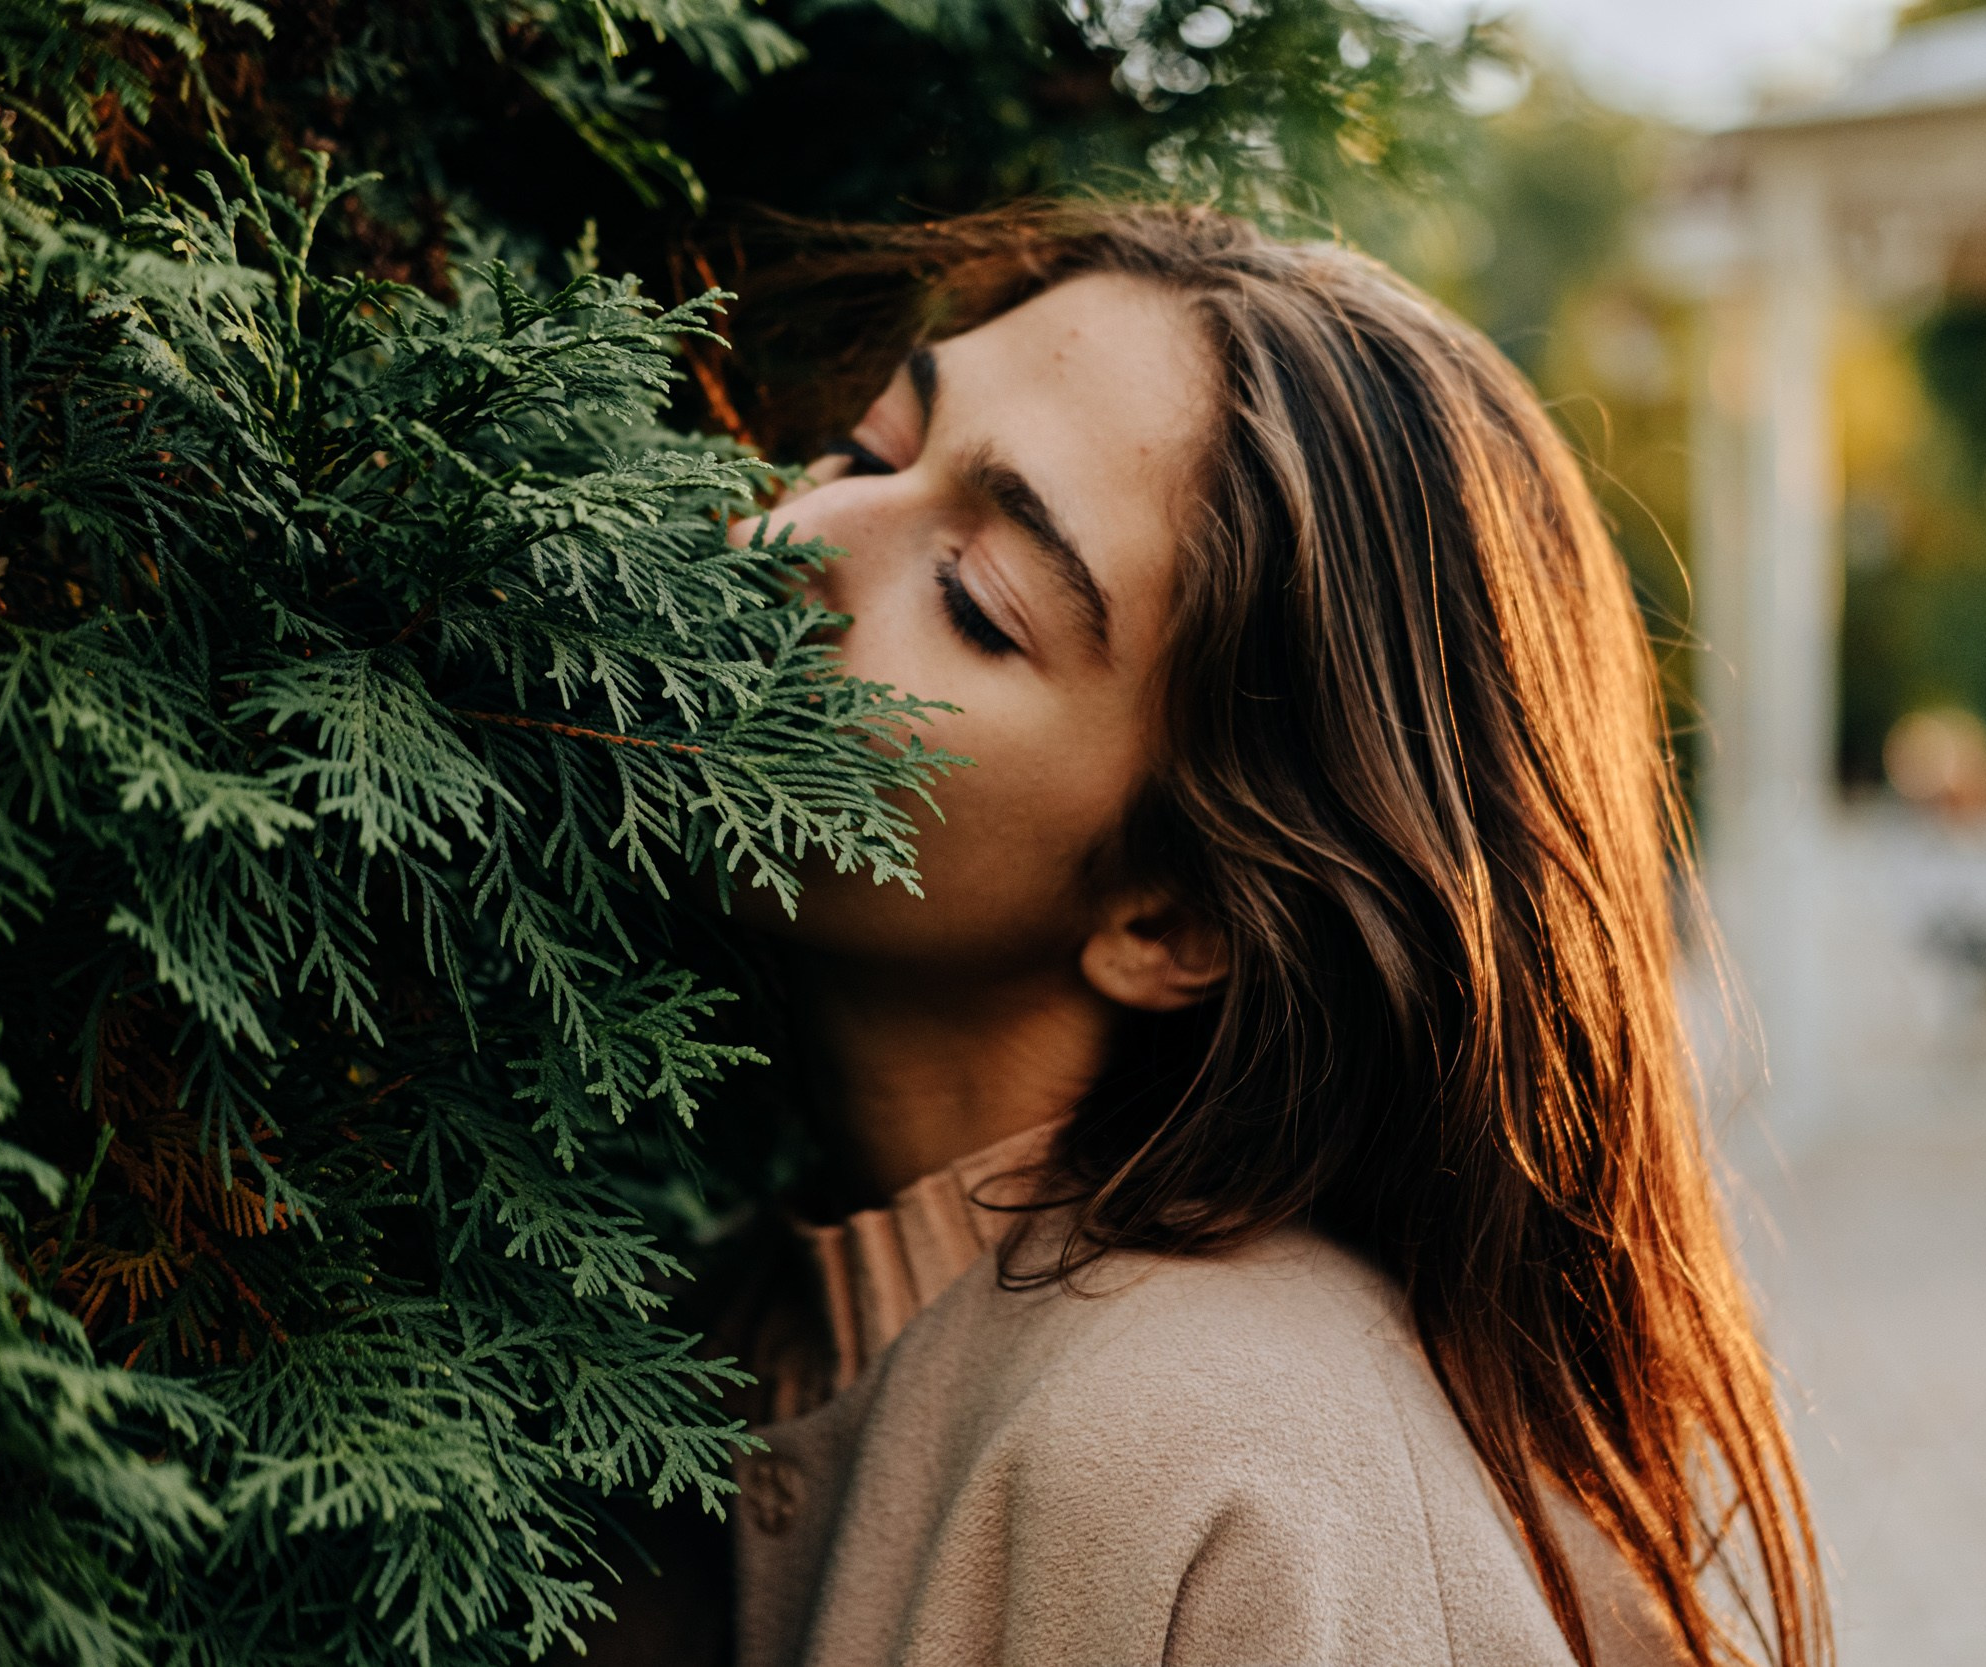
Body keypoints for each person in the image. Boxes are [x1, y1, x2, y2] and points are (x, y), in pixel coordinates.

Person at [581, 204, 1825, 1667]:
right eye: (868, 447)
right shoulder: (691, 1329)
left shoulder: (1233, 1474)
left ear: (1171, 914)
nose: (791, 534)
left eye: (977, 601)